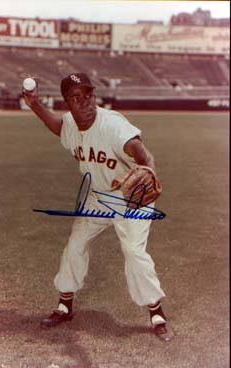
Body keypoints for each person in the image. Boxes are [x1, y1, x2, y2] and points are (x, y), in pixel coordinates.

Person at [23, 73, 174, 342]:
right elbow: (59, 127)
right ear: (67, 103)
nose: (84, 102)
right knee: (75, 245)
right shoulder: (70, 123)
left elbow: (144, 154)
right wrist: (35, 105)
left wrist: (149, 173)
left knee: (132, 251)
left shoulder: (112, 125)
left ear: (95, 96)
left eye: (88, 95)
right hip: (98, 198)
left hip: (132, 197)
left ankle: (157, 314)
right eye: (75, 97)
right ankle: (64, 306)